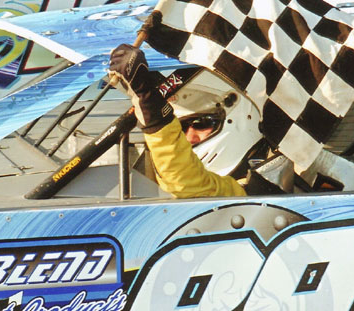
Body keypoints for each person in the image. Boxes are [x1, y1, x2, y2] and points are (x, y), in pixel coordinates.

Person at [108, 43, 263, 198]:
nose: (189, 137)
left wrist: (147, 100)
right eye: (181, 128)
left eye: (201, 124)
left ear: (243, 119)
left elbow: (186, 184)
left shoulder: (263, 186)